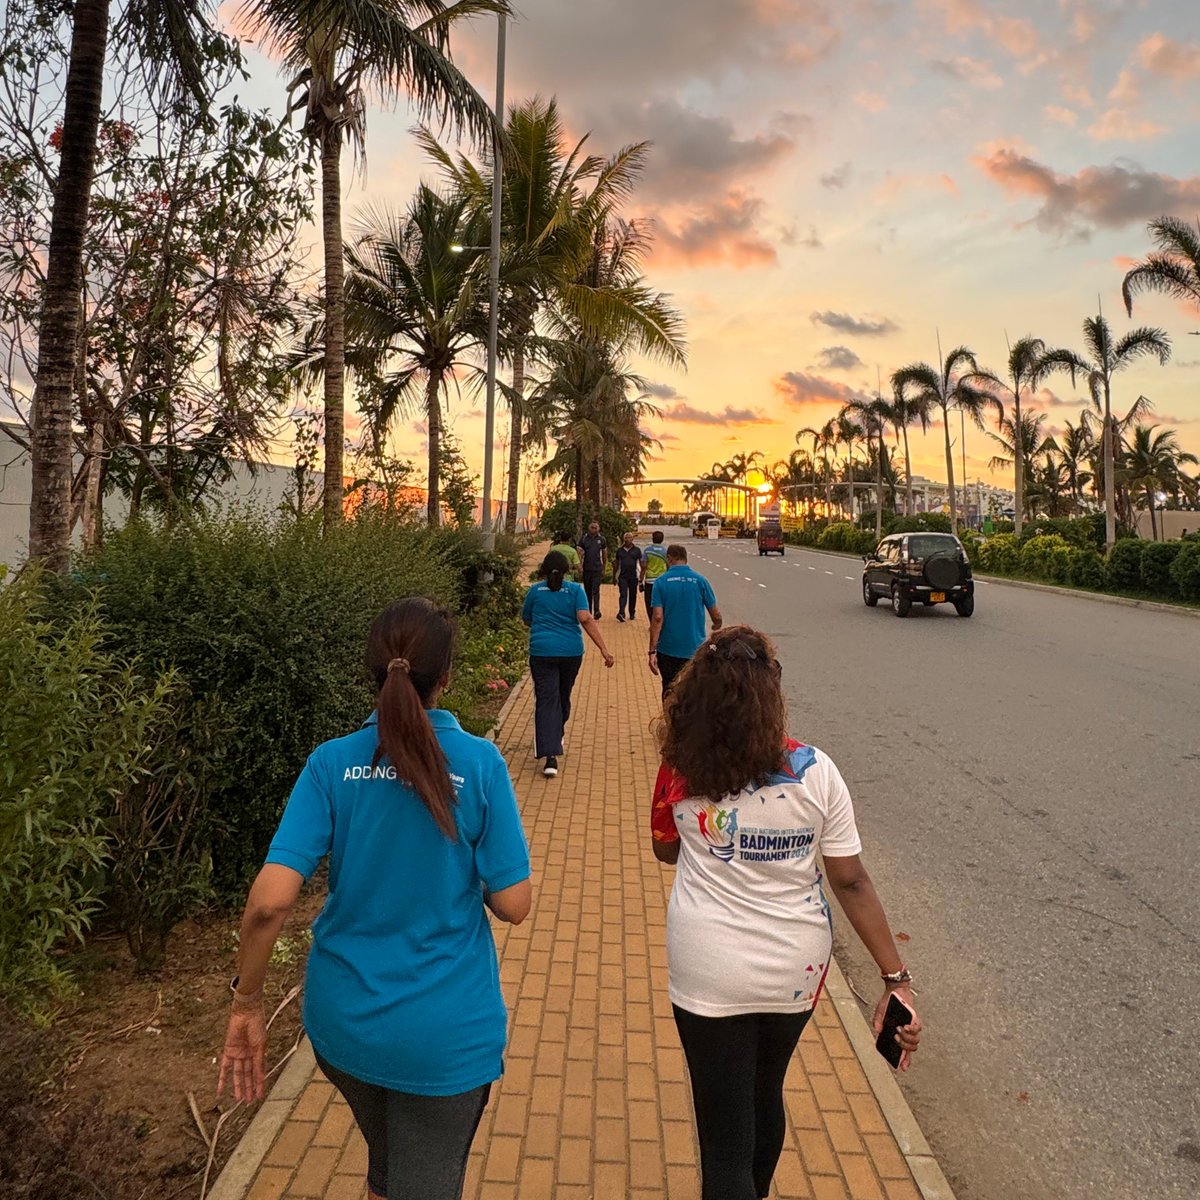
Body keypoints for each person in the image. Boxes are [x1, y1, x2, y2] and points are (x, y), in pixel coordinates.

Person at [217, 598, 532, 1200]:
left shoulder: (330, 763)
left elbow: (268, 904)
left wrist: (247, 1004)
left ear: (373, 670)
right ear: (446, 676)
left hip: (345, 1028)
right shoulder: (480, 763)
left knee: (389, 1168)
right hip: (444, 1040)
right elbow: (514, 904)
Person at [650, 626, 921, 1200]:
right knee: (766, 1090)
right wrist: (895, 977)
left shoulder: (679, 767)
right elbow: (850, 879)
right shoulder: (816, 770)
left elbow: (663, 850)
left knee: (723, 1136)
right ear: (773, 693)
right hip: (792, 972)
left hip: (707, 969)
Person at [522, 550, 614, 778]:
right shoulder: (575, 591)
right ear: (567, 570)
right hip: (571, 653)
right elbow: (585, 618)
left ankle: (550, 754)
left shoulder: (534, 591)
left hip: (542, 652)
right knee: (562, 696)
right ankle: (555, 738)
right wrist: (604, 649)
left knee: (546, 699)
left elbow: (526, 618)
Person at [648, 544, 722, 697]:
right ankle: (690, 719)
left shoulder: (661, 582)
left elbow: (657, 618)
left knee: (669, 687)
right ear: (685, 559)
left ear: (669, 559)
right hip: (695, 648)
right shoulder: (701, 581)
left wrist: (652, 651)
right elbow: (716, 615)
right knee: (694, 689)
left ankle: (669, 718)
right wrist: (716, 625)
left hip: (668, 648)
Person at [577, 520, 607, 618]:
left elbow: (604, 553)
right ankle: (588, 610)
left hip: (597, 568)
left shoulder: (602, 539)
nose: (594, 529)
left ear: (599, 528)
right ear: (589, 528)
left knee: (596, 590)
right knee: (587, 591)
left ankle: (597, 611)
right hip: (587, 569)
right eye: (592, 527)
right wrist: (580, 566)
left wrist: (604, 567)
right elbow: (579, 553)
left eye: (596, 527)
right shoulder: (584, 539)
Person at [615, 529, 643, 622]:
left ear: (632, 539)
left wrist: (641, 578)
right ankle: (621, 613)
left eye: (629, 537)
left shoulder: (637, 550)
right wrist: (614, 577)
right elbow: (616, 564)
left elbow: (641, 564)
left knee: (632, 595)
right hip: (622, 576)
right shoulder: (620, 551)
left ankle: (632, 612)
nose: (627, 539)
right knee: (623, 594)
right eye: (626, 538)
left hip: (633, 576)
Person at [639, 529, 669, 612]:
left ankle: (652, 622)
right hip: (662, 581)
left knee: (649, 604)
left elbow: (643, 567)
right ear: (662, 540)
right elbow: (669, 567)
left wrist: (640, 581)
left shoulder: (647, 550)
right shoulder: (665, 552)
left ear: (652, 539)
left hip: (649, 581)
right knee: (661, 603)